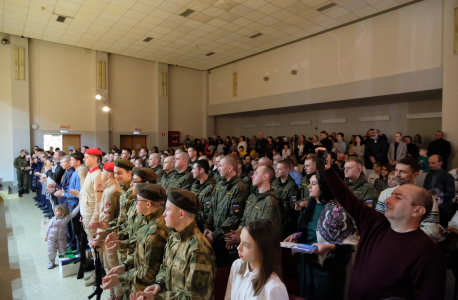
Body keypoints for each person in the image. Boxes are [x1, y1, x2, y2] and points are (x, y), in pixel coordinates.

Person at [318, 148, 446, 300]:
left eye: (397, 198)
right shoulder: (375, 222)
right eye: (390, 195)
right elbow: (346, 197)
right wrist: (328, 170)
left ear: (417, 210)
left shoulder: (427, 251)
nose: (387, 200)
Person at [285, 171, 359, 300]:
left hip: (328, 268)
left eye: (314, 183)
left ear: (325, 186)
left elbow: (352, 245)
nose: (309, 186)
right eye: (309, 183)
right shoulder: (311, 205)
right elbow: (313, 229)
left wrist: (328, 247)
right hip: (307, 264)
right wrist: (297, 235)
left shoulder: (339, 209)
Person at [133, 188, 216, 300]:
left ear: (181, 214)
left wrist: (156, 298)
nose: (163, 214)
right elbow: (165, 268)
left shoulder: (199, 251)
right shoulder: (174, 236)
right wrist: (158, 284)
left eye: (167, 209)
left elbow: (194, 298)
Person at [101, 183, 169, 298]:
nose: (135, 203)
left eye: (138, 200)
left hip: (146, 290)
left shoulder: (156, 231)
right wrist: (124, 266)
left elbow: (149, 273)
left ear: (148, 204)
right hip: (137, 282)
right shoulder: (146, 220)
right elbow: (140, 253)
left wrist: (119, 278)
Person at [375, 158, 440, 240]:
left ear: (415, 175)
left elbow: (432, 231)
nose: (397, 175)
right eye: (396, 170)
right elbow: (378, 220)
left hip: (412, 244)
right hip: (387, 240)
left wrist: (401, 235)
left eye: (403, 171)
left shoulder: (426, 198)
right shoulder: (385, 193)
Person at [204, 156, 249, 267]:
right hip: (213, 235)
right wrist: (207, 228)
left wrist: (214, 234)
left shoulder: (240, 187)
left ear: (229, 168)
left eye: (220, 166)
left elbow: (235, 216)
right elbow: (212, 208)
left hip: (226, 239)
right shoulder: (220, 184)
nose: (217, 168)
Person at [225, 220, 288, 300]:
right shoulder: (237, 265)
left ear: (262, 250)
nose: (238, 248)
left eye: (246, 245)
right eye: (240, 241)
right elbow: (228, 297)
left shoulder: (274, 287)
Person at [224, 166, 281, 249]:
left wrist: (241, 238)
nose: (252, 176)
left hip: (258, 250)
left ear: (265, 176)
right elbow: (244, 219)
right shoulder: (252, 196)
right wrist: (235, 234)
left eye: (256, 173)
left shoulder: (270, 202)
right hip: (246, 245)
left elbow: (265, 232)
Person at [423, 154, 456, 227]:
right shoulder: (428, 175)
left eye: (433, 163)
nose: (430, 165)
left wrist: (437, 199)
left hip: (443, 207)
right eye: (429, 163)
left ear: (440, 163)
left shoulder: (447, 176)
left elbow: (451, 193)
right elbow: (425, 189)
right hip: (430, 205)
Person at [45, 204, 80, 269]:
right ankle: (51, 262)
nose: (55, 212)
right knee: (51, 250)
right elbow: (48, 227)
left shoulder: (66, 218)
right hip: (51, 238)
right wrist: (46, 235)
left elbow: (73, 213)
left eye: (57, 211)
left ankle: (63, 261)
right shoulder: (53, 219)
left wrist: (78, 206)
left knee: (63, 250)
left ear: (63, 212)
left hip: (62, 238)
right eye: (54, 211)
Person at [271, 161, 300, 238]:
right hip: (274, 216)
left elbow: (293, 205)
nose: (277, 171)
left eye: (279, 169)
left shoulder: (292, 185)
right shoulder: (274, 182)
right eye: (276, 169)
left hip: (286, 220)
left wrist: (279, 203)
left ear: (287, 170)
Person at [190, 160, 216, 232]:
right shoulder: (194, 185)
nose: (192, 171)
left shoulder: (211, 187)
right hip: (193, 221)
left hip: (202, 225)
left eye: (194, 169)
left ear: (201, 170)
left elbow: (208, 213)